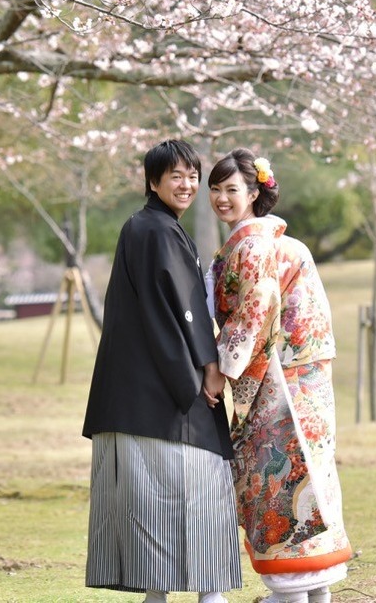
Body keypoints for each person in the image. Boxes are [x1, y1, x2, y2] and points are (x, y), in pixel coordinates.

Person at [82, 139, 242, 602]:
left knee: (153, 512)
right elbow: (181, 311)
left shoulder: (145, 227)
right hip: (163, 400)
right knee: (195, 494)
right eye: (176, 176)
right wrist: (207, 369)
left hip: (132, 399)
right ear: (153, 181)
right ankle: (208, 596)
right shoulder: (157, 231)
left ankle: (160, 596)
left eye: (193, 176)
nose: (188, 184)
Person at [206, 148, 352, 603]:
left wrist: (222, 372)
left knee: (280, 484)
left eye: (231, 189)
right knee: (313, 478)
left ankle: (290, 592)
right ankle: (315, 589)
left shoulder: (250, 245)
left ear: (254, 192)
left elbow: (252, 316)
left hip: (278, 384)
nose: (221, 198)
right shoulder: (285, 243)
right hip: (308, 383)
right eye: (215, 189)